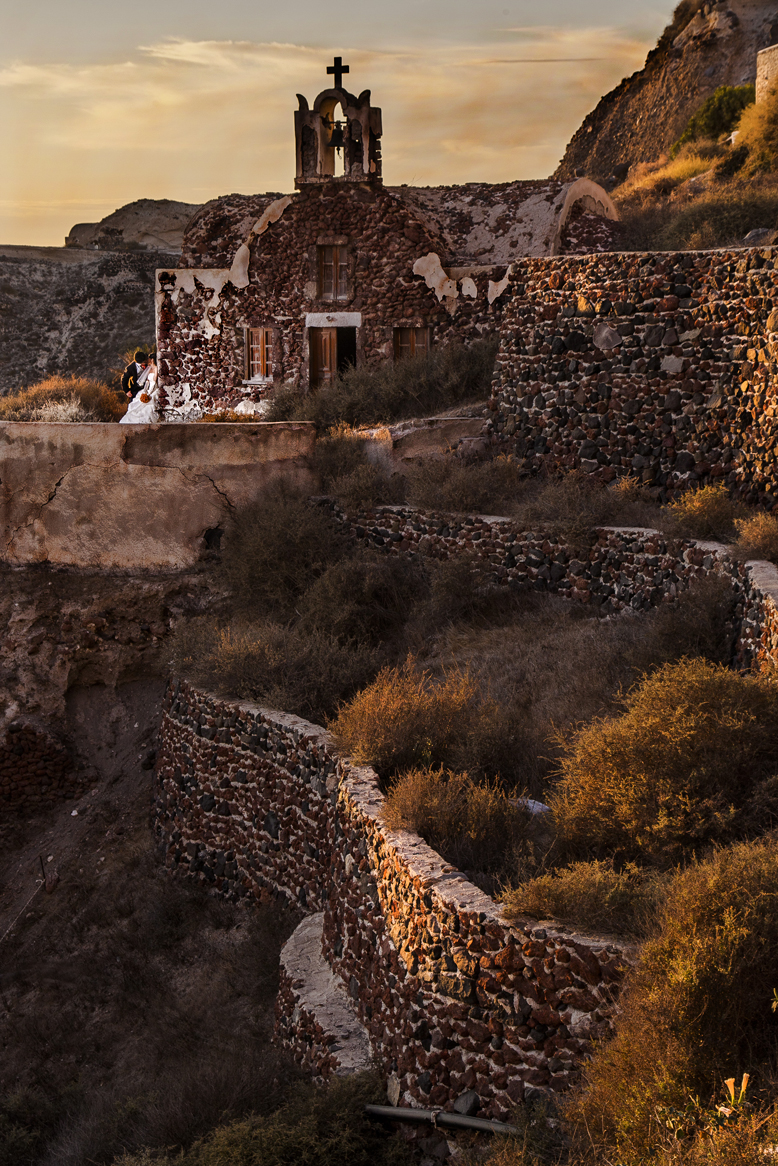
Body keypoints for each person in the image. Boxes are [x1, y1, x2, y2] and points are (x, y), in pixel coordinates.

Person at [120, 354, 160, 424]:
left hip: (152, 387)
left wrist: (149, 391)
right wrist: (127, 391)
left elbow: (153, 381)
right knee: (135, 405)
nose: (148, 360)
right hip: (137, 389)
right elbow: (124, 379)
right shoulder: (131, 368)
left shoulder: (154, 368)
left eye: (149, 359)